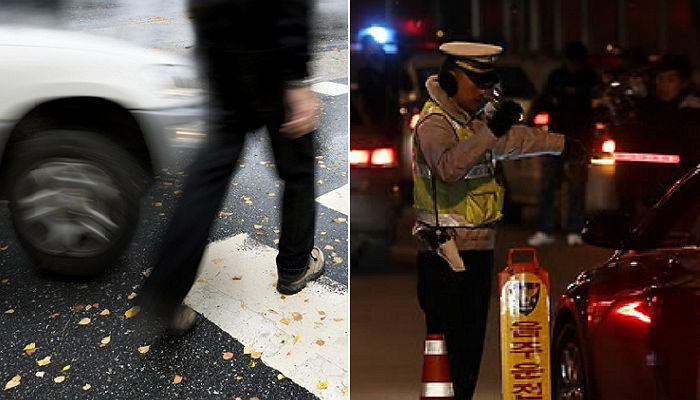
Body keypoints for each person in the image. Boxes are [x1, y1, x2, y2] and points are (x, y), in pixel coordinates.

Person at [137, 0, 324, 334]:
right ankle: (295, 267)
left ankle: (165, 292)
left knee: (208, 175)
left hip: (220, 46)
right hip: (270, 51)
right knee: (298, 168)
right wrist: (297, 80)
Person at [412, 41, 569, 400]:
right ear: (451, 81)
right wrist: (489, 132)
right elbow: (449, 168)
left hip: (479, 249)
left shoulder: (474, 121)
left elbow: (513, 141)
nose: (485, 92)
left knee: (470, 348)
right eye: (477, 84)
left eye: (488, 85)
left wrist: (565, 145)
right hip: (444, 252)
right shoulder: (434, 123)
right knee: (449, 347)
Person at [528, 42, 599, 247]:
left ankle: (575, 229)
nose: (573, 66)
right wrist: (530, 119)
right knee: (548, 184)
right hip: (555, 139)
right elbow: (542, 100)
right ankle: (545, 229)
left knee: (577, 186)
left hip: (580, 140)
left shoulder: (590, 79)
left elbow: (596, 106)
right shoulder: (556, 77)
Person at [619, 54, 700, 213]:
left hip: (684, 189)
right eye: (660, 79)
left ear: (683, 83)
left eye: (670, 80)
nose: (663, 85)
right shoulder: (648, 109)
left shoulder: (692, 110)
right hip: (651, 189)